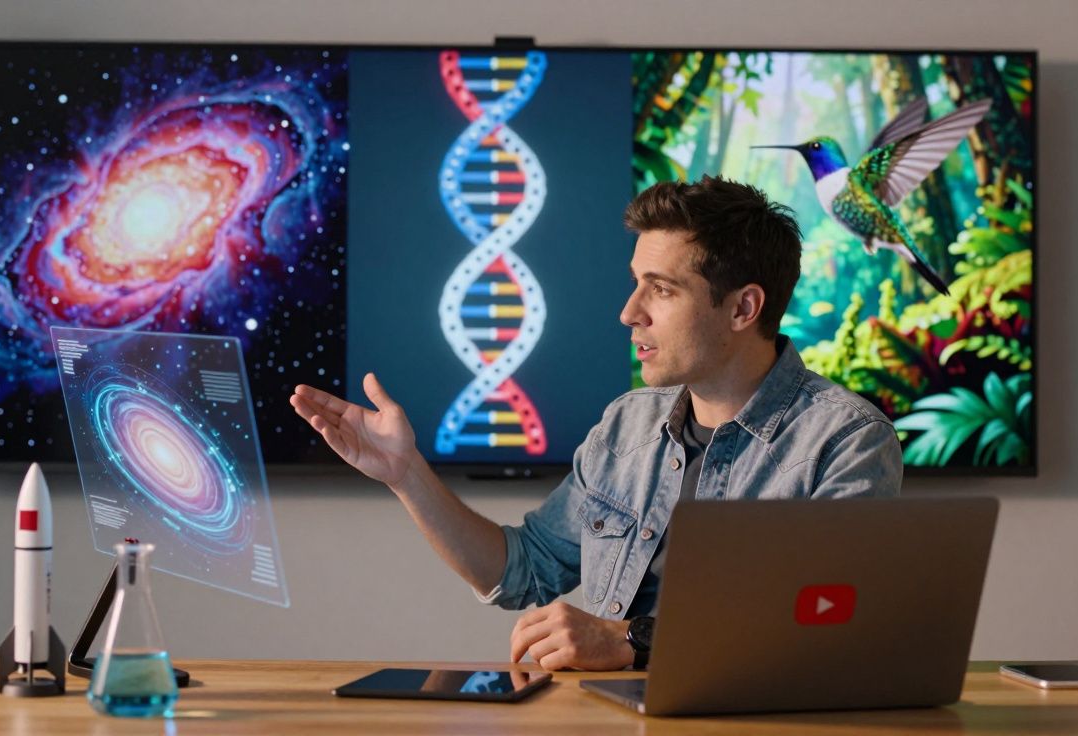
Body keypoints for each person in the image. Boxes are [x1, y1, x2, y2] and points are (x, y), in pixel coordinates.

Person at [290, 176, 903, 672]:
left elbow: (828, 625)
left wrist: (632, 639)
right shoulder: (625, 425)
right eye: (636, 285)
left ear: (744, 307)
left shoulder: (847, 441)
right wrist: (406, 475)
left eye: (661, 290)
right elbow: (521, 571)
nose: (629, 312)